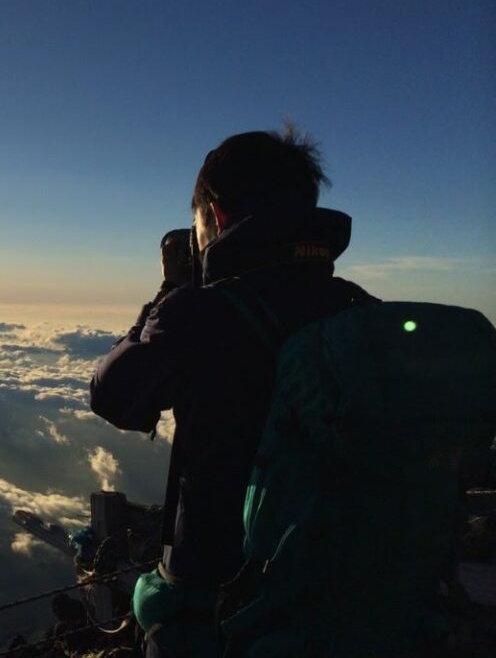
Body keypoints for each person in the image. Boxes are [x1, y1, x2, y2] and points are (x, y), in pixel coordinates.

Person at [89, 127, 376, 657]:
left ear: (214, 215)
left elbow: (113, 395)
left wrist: (171, 290)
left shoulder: (201, 313)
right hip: (352, 594)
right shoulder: (360, 311)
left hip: (222, 607)